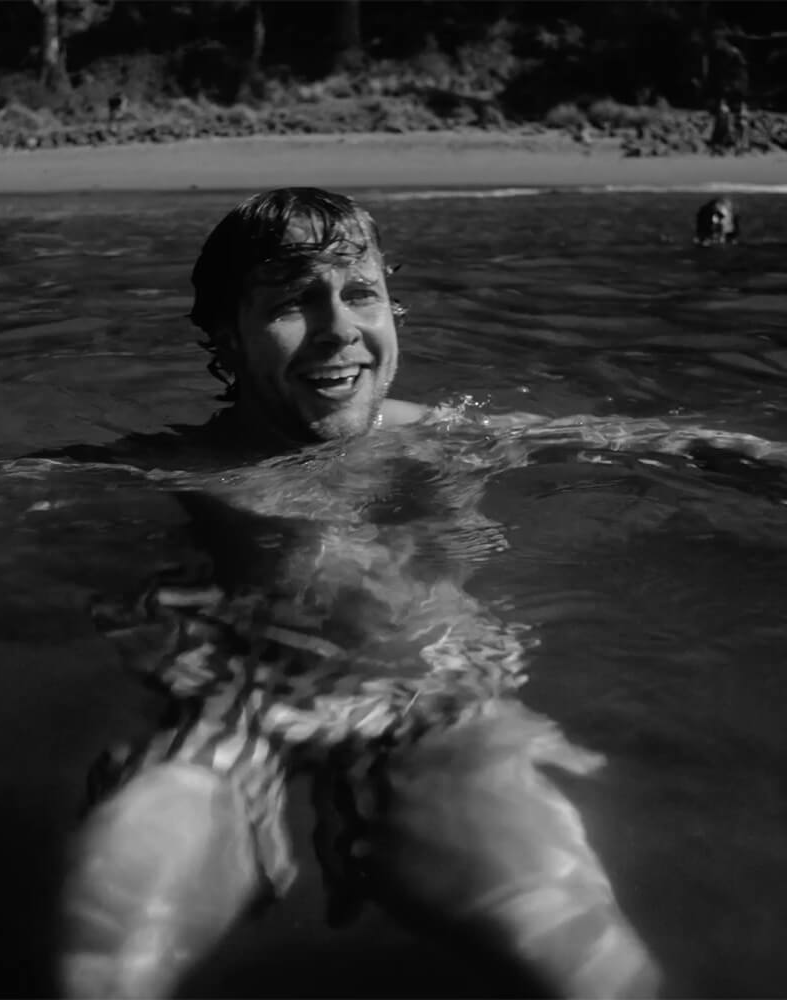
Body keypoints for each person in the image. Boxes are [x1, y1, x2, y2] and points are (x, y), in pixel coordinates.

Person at [59, 188, 662, 999]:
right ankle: (283, 824)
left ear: (392, 307)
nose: (339, 328)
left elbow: (667, 445)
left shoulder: (452, 437)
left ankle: (380, 826)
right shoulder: (178, 463)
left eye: (360, 293)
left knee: (593, 967)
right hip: (235, 702)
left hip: (436, 693)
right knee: (104, 949)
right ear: (225, 339)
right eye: (294, 304)